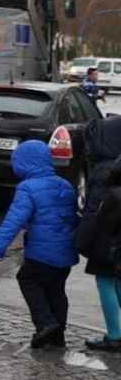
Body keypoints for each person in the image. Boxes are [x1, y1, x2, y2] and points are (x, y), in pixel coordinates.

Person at [0, 140, 79, 348]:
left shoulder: (27, 188)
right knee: (57, 290)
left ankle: (45, 324)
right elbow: (73, 216)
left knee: (27, 280)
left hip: (41, 251)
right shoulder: (64, 184)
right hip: (65, 251)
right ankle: (58, 335)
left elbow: (15, 219)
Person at [81, 115, 121, 351]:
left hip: (108, 240)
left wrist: (82, 242)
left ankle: (114, 335)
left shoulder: (104, 169)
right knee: (116, 282)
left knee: (104, 281)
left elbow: (94, 211)